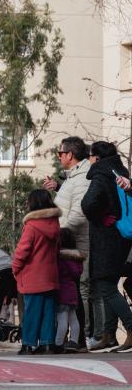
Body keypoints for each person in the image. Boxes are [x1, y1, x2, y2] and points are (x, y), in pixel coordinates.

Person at [80, 141, 132, 352]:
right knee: (109, 282)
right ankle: (109, 335)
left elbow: (87, 204)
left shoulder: (100, 175)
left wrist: (100, 216)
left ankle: (129, 326)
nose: (89, 161)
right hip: (122, 237)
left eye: (90, 157)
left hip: (106, 239)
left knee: (106, 286)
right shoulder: (120, 172)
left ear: (97, 158)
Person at [49, 136, 92, 349]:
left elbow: (79, 212)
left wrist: (58, 232)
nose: (58, 157)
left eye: (59, 153)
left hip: (75, 244)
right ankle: (72, 339)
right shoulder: (74, 176)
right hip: (68, 243)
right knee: (72, 296)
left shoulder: (83, 177)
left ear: (70, 155)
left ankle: (80, 340)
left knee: (76, 295)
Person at [11, 189, 61, 355]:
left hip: (33, 277)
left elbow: (22, 251)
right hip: (51, 275)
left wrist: (15, 268)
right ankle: (48, 344)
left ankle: (28, 344)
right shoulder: (55, 224)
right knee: (48, 312)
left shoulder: (31, 226)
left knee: (31, 312)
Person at [56, 228, 85, 354]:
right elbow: (77, 273)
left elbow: (56, 272)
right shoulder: (76, 257)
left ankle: (58, 343)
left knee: (62, 318)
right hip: (73, 292)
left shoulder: (60, 257)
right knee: (73, 318)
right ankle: (74, 341)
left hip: (62, 291)